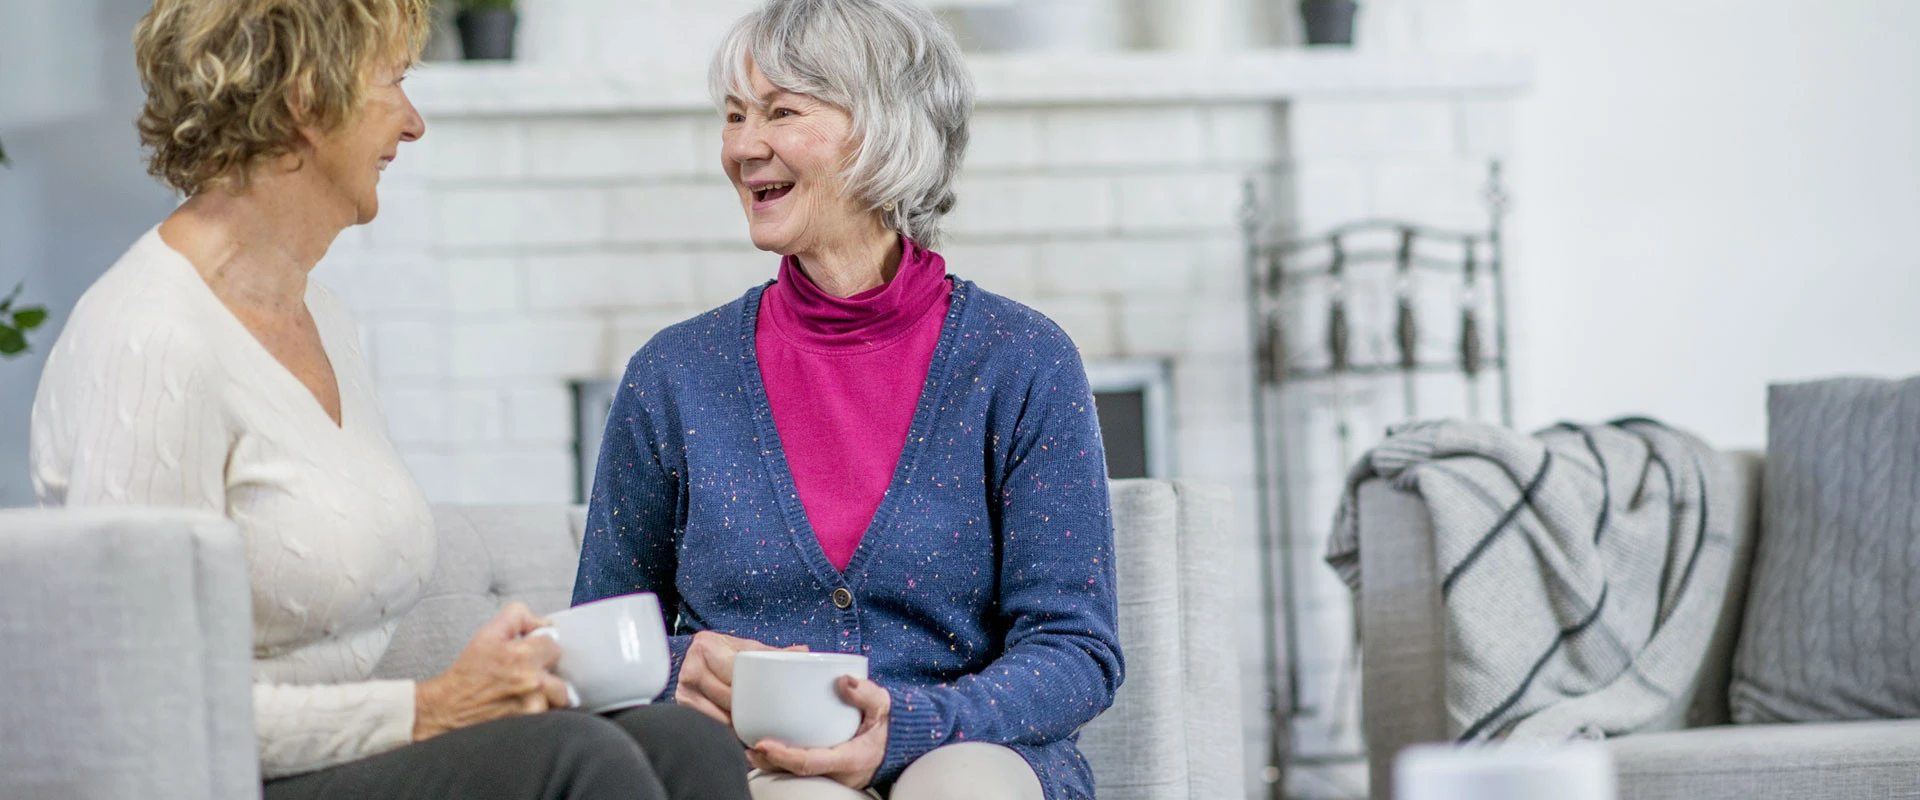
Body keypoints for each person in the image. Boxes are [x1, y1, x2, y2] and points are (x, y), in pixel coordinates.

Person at [28, 2, 749, 798]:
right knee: (584, 763)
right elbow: (143, 709)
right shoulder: (151, 341)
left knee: (684, 742)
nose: (413, 123)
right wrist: (433, 708)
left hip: (347, 754)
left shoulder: (323, 317)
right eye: (395, 81)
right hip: (230, 780)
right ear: (308, 99)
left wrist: (492, 675)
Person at [571, 1, 1124, 798]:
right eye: (733, 115)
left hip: (970, 751)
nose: (740, 146)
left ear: (884, 130)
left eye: (780, 112)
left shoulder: (1022, 362)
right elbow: (598, 642)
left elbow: (1077, 650)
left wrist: (910, 724)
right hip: (754, 763)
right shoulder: (674, 375)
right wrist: (679, 669)